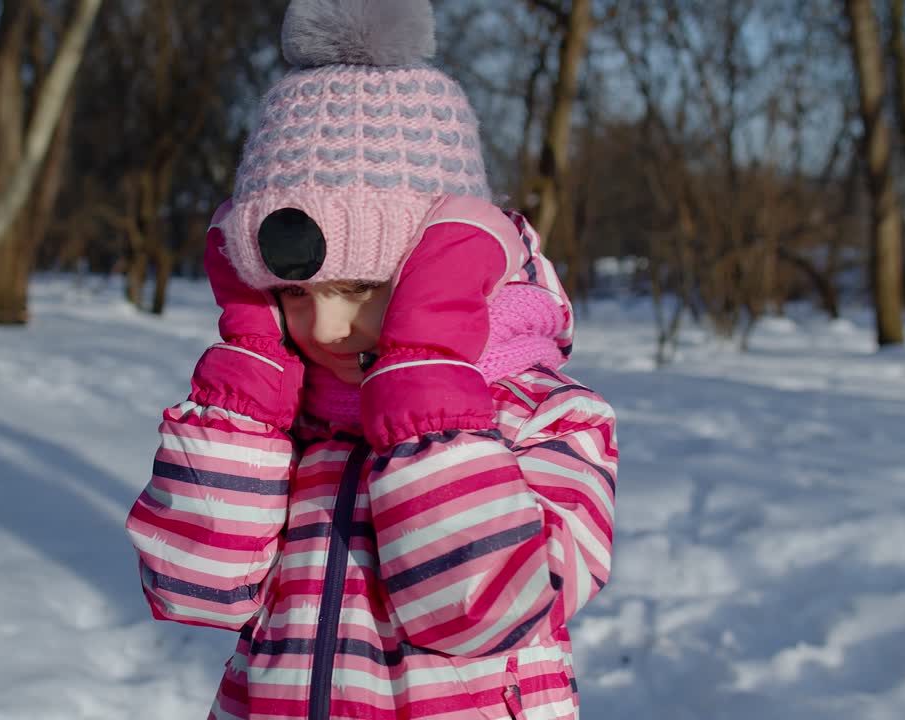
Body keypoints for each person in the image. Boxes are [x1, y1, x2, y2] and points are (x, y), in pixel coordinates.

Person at [125, 1, 618, 718]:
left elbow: (483, 610)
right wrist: (248, 382)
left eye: (361, 287)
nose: (325, 325)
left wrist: (426, 383)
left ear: (451, 266)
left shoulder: (552, 419)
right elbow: (195, 586)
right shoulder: (285, 414)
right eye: (292, 291)